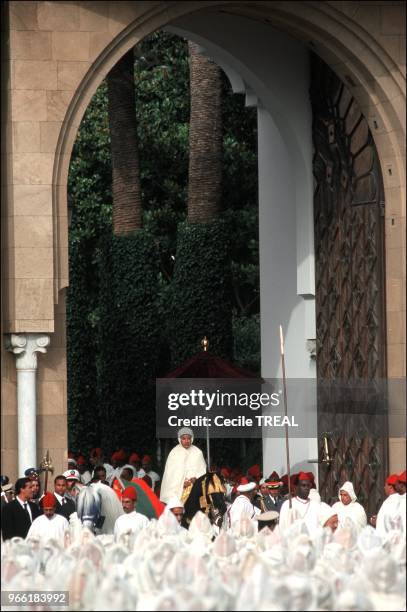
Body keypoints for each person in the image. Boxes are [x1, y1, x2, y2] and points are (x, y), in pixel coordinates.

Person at [160, 427, 206, 504]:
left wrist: (195, 479)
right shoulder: (174, 453)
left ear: (192, 439)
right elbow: (170, 476)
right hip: (177, 491)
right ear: (179, 439)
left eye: (188, 438)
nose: (186, 441)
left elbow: (202, 471)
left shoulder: (198, 452)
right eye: (183, 438)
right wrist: (182, 484)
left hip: (195, 489)